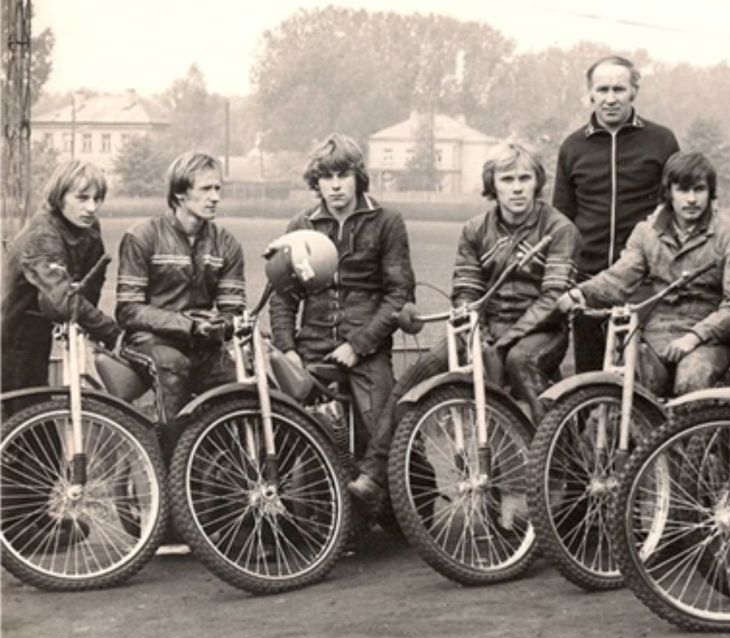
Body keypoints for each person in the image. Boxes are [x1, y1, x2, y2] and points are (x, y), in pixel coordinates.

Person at [348, 142, 578, 507]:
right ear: (493, 184)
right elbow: (467, 290)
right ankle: (375, 473)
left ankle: (562, 473)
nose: (517, 187)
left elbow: (552, 299)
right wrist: (473, 325)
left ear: (537, 182)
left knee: (519, 363)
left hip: (540, 333)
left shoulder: (560, 228)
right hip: (482, 328)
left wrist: (501, 342)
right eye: (507, 179)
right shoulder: (475, 229)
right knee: (414, 377)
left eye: (524, 178)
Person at [555, 151, 730, 397]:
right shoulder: (646, 232)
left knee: (690, 381)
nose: (692, 199)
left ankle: (694, 434)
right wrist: (581, 293)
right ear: (669, 191)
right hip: (656, 335)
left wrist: (695, 337)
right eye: (683, 190)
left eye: (699, 189)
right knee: (627, 386)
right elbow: (619, 278)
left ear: (710, 191)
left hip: (708, 337)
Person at [269, 133, 417, 461]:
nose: (335, 185)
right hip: (311, 345)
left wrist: (358, 345)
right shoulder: (301, 224)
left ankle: (394, 504)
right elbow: (282, 296)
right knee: (286, 431)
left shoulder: (386, 222)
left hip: (367, 347)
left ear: (358, 178)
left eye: (343, 175)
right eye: (326, 177)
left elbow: (399, 293)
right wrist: (288, 349)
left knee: (385, 432)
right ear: (316, 182)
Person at [553, 55, 680, 374]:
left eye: (619, 89)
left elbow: (677, 206)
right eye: (603, 89)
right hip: (590, 279)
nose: (610, 98)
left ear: (634, 91)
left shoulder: (661, 140)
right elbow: (562, 217)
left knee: (644, 374)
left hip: (645, 281)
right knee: (590, 374)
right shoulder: (572, 146)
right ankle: (586, 426)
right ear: (590, 93)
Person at [115, 151, 245, 448]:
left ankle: (223, 472)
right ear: (179, 193)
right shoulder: (142, 236)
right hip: (148, 341)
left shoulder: (227, 243)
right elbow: (128, 310)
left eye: (218, 189)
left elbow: (232, 309)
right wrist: (186, 324)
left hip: (203, 345)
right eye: (205, 189)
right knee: (173, 367)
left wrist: (220, 325)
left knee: (242, 379)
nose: (215, 198)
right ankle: (169, 467)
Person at [2, 160, 121, 396]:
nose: (91, 207)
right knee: (25, 412)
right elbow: (62, 297)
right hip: (13, 332)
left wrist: (85, 320)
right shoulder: (42, 233)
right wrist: (110, 331)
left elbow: (93, 278)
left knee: (35, 414)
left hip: (40, 326)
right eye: (82, 198)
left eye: (97, 199)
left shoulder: (89, 228)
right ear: (60, 196)